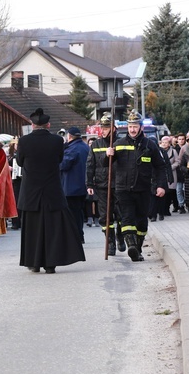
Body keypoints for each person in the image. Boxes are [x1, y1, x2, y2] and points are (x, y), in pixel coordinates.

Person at [17, 108, 86, 273]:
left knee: (32, 230)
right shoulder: (57, 141)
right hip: (52, 191)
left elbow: (19, 162)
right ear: (48, 124)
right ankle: (50, 264)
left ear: (32, 125)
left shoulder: (24, 141)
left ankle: (33, 262)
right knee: (52, 229)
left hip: (31, 192)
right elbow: (60, 160)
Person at [105, 110, 167, 262]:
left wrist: (161, 186)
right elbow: (105, 165)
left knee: (141, 221)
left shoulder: (150, 145)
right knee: (127, 218)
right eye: (130, 126)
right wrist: (107, 155)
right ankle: (131, 245)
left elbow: (160, 167)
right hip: (123, 189)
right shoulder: (118, 144)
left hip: (143, 189)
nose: (132, 129)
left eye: (135, 126)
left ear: (141, 127)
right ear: (127, 127)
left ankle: (138, 249)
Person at [86, 113, 124, 256]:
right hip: (102, 185)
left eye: (106, 127)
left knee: (120, 214)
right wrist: (89, 184)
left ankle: (120, 237)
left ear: (113, 128)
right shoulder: (96, 144)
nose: (103, 130)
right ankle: (110, 242)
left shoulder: (121, 143)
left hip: (119, 184)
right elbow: (90, 165)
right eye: (102, 127)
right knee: (105, 217)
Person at [60, 126, 89, 243]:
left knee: (72, 213)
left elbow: (63, 165)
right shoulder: (85, 147)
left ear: (69, 136)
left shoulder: (72, 149)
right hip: (83, 186)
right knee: (79, 212)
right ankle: (79, 234)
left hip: (71, 187)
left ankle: (75, 236)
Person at [8, 137, 23, 230]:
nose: (17, 146)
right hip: (14, 180)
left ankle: (22, 221)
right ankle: (15, 222)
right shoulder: (10, 157)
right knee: (15, 201)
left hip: (23, 180)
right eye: (16, 144)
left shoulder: (24, 155)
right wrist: (9, 168)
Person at [173, 133, 187, 213]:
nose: (181, 141)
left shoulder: (187, 148)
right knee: (179, 190)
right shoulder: (175, 150)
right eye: (179, 139)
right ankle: (181, 205)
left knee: (185, 190)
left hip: (186, 172)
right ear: (177, 140)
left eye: (182, 139)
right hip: (177, 173)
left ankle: (187, 203)